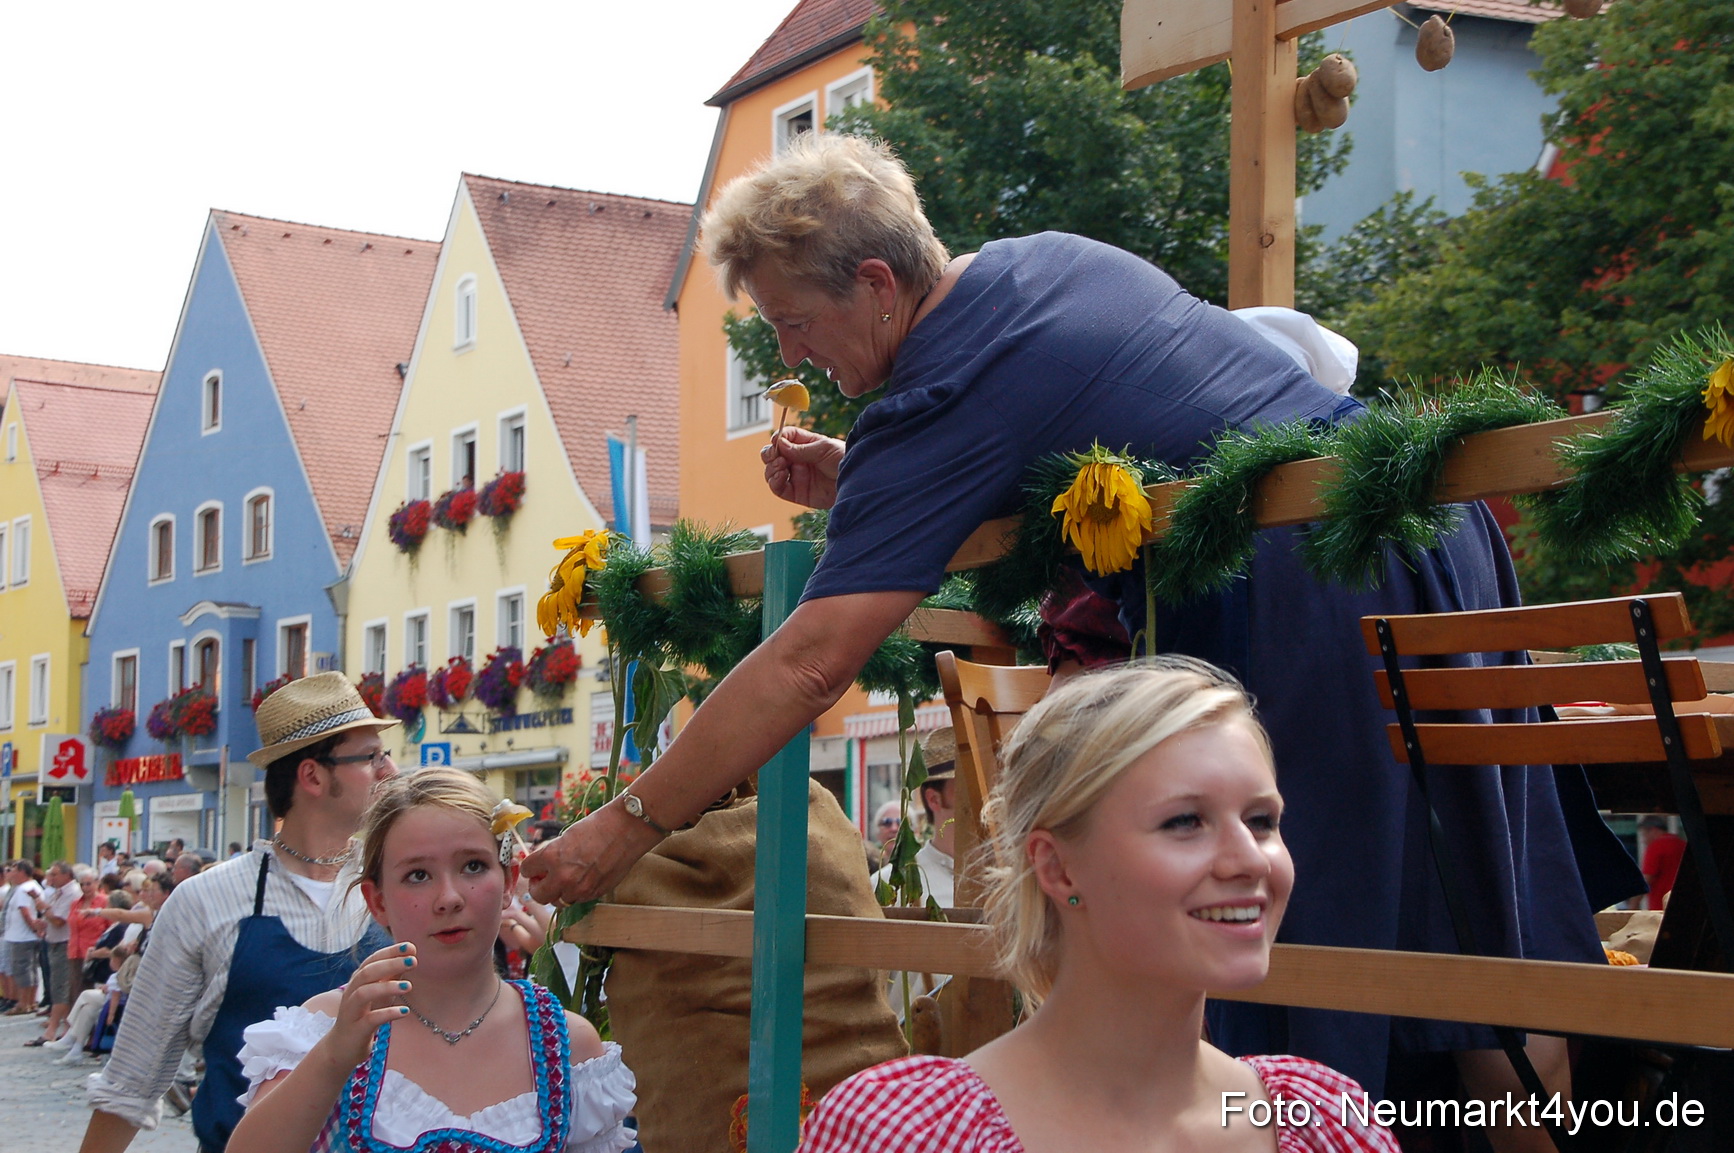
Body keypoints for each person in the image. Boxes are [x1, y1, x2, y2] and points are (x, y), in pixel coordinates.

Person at [523, 133, 1640, 1111]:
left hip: (1311, 573)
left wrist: (626, 827)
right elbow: (1076, 437)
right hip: (1426, 525)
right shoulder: (1042, 264)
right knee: (1479, 910)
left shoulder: (936, 398)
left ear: (874, 282)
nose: (793, 357)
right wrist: (867, 478)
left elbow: (814, 662)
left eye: (796, 324)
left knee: (1293, 947)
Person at [802, 659, 1398, 1151]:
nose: (1250, 860)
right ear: (1057, 866)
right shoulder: (902, 1135)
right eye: (1185, 821)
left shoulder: (1326, 1123)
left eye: (1262, 821)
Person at [228, 767, 636, 1153]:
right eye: (418, 875)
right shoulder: (327, 1026)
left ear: (509, 881)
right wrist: (333, 1056)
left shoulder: (568, 1044)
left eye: (473, 867)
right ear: (378, 901)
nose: (449, 898)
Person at [79, 672, 401, 1153]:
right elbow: (133, 1081)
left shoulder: (393, 885)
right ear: (312, 775)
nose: (389, 771)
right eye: (371, 757)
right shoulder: (205, 901)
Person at [2, 860, 44, 1015]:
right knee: (29, 969)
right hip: (23, 935)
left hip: (22, 936)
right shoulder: (31, 887)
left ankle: (24, 1003)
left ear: (21, 872)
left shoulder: (24, 888)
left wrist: (34, 928)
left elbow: (25, 911)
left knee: (22, 971)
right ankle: (30, 1002)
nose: (10, 873)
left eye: (13, 870)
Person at [1638, 816, 1687, 911]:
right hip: (1684, 905)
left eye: (1644, 835)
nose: (1644, 841)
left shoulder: (1656, 847)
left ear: (1653, 830)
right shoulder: (1683, 844)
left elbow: (1646, 879)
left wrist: (1633, 906)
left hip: (1660, 908)